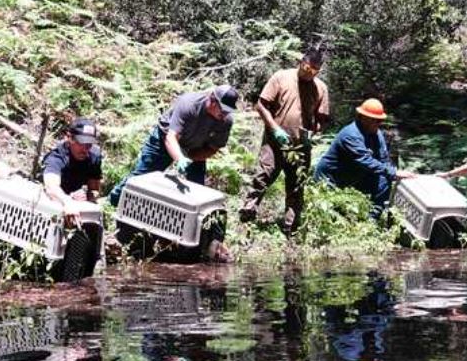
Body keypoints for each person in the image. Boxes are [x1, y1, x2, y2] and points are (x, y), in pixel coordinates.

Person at [239, 49, 330, 233]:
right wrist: (274, 129)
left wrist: (315, 133)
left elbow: (322, 119)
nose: (309, 72)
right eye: (307, 68)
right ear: (301, 62)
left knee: (296, 186)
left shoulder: (320, 88)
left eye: (314, 70)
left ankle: (291, 229)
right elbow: (262, 105)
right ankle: (246, 220)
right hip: (274, 141)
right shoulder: (281, 77)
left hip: (300, 146)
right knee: (263, 177)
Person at [107, 85, 238, 206]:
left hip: (194, 149)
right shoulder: (189, 104)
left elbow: (212, 148)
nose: (224, 115)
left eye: (228, 111)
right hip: (164, 140)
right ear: (212, 100)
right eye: (223, 110)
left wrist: (192, 157)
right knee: (142, 176)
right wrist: (180, 158)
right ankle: (112, 202)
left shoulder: (226, 121)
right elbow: (171, 137)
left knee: (197, 189)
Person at [313, 99, 415, 219]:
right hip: (331, 178)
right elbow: (365, 160)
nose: (377, 123)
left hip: (354, 175)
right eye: (374, 120)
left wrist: (394, 174)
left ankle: (372, 219)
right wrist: (393, 172)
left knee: (384, 179)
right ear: (362, 117)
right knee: (330, 213)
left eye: (379, 121)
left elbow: (383, 159)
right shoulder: (351, 134)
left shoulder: (377, 134)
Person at [42, 117, 103, 218]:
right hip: (54, 201)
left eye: (88, 145)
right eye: (81, 143)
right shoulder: (57, 157)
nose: (85, 149)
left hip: (77, 204)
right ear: (70, 138)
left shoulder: (94, 156)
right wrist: (68, 201)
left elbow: (95, 190)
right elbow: (51, 187)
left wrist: (87, 195)